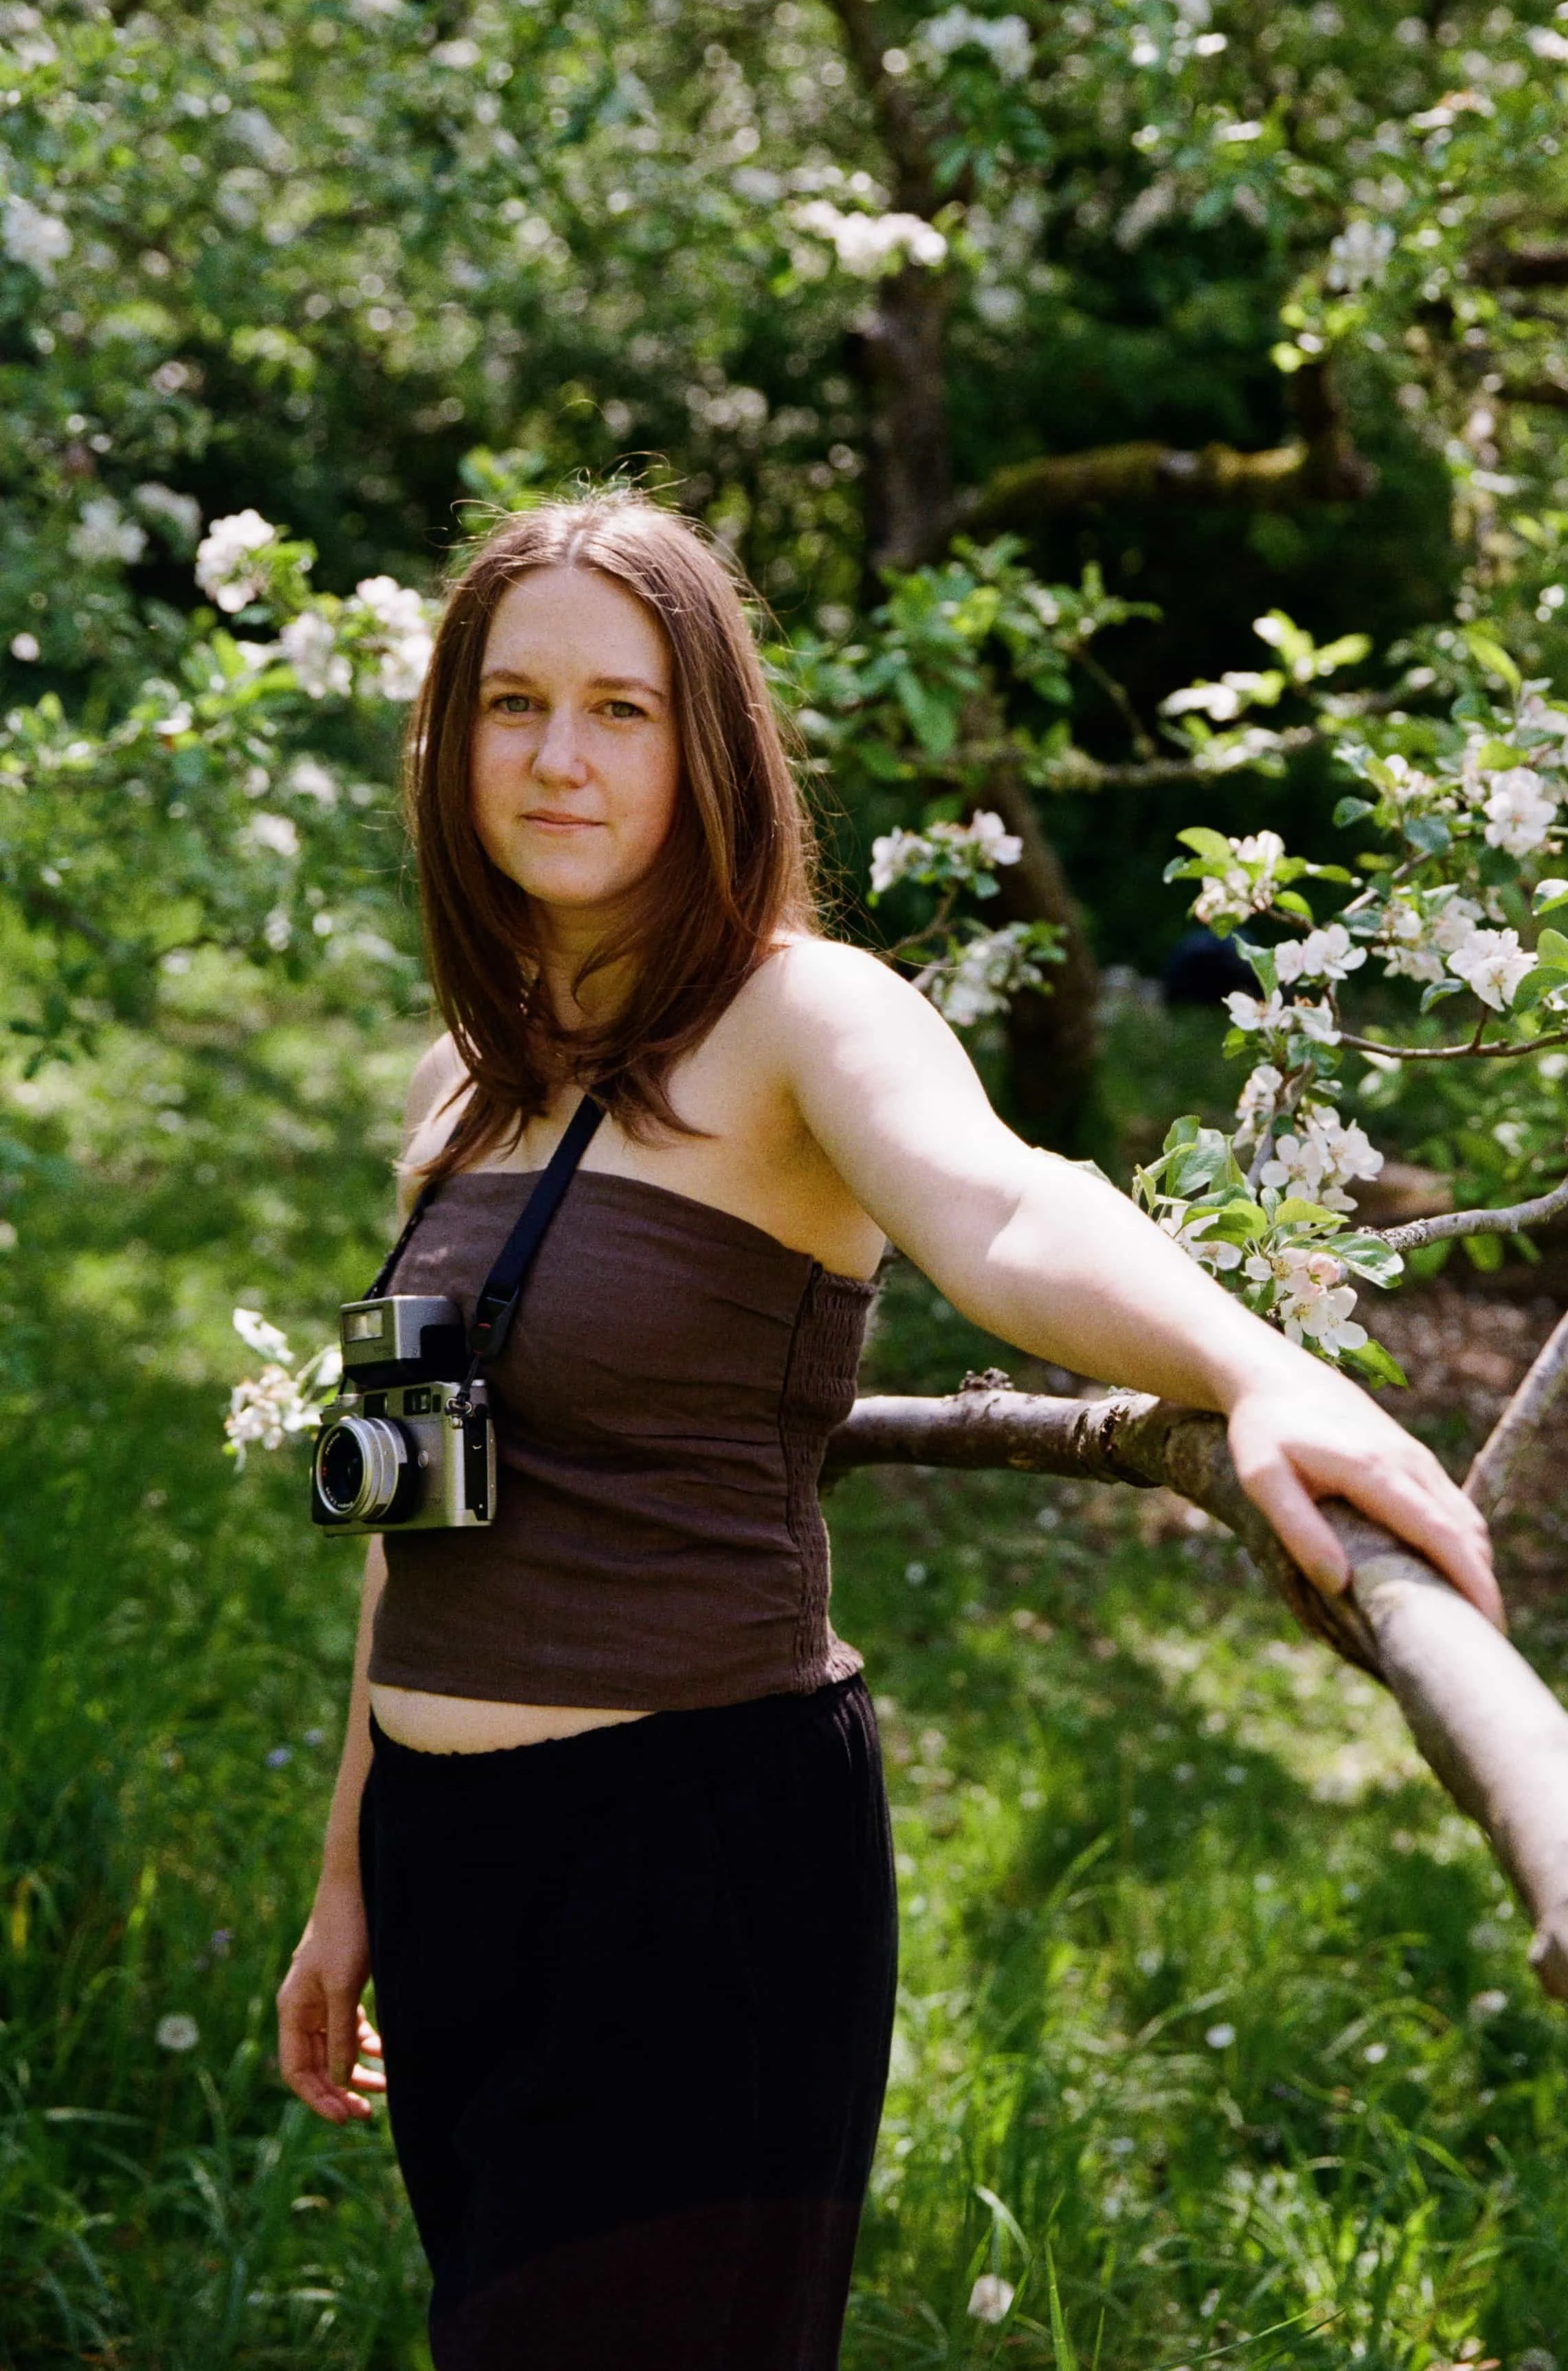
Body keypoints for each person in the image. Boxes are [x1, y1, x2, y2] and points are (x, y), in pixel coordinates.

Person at [276, 494, 1497, 2371]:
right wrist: (352, 1869)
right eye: (513, 703)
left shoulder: (798, 1013)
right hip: (457, 1863)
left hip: (687, 1862)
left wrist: (1263, 1370)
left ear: (708, 744)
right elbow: (419, 1516)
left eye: (620, 708)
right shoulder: (468, 1071)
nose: (557, 754)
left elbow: (1007, 1206)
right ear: (452, 746)